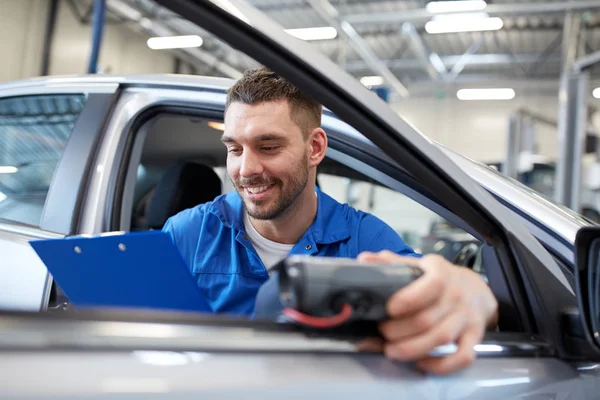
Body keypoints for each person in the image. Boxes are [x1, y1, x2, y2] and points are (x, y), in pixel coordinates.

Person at [163, 67, 498, 375]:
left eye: (267, 147)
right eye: (235, 149)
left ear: (315, 148)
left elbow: (436, 292)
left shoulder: (362, 239)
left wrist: (472, 292)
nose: (246, 169)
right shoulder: (186, 235)